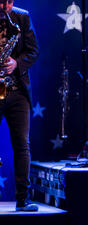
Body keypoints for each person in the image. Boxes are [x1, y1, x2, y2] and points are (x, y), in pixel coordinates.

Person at [0, 0, 39, 211]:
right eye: (1, 2)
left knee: (22, 146)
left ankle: (23, 199)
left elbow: (34, 51)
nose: (5, 6)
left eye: (9, 2)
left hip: (17, 92)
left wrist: (16, 63)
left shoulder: (22, 17)